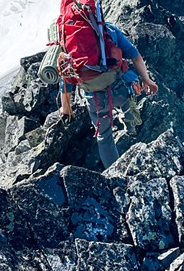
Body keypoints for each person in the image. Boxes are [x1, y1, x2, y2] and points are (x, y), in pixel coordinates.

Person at [59, 20, 158, 169]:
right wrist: (147, 79)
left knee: (104, 137)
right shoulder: (107, 29)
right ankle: (129, 117)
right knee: (129, 82)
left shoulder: (66, 42)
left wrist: (66, 109)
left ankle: (114, 174)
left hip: (96, 99)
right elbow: (135, 55)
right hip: (120, 89)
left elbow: (65, 81)